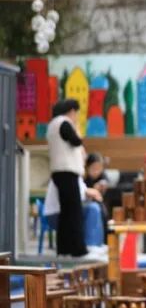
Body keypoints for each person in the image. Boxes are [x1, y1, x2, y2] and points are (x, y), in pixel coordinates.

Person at [46, 99, 93, 256]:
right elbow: (76, 141)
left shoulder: (52, 124)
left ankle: (64, 248)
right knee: (74, 212)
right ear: (71, 111)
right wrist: (77, 129)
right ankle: (78, 249)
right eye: (76, 113)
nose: (77, 116)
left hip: (59, 173)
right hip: (67, 172)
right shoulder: (64, 123)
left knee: (66, 213)